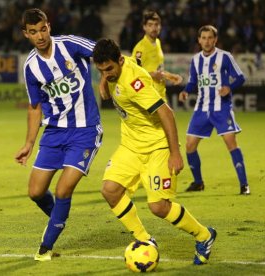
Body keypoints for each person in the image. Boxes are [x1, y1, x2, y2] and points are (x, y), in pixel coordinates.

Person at [92, 38, 216, 265]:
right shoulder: (117, 67)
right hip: (131, 145)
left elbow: (167, 113)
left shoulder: (134, 83)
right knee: (110, 191)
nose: (107, 73)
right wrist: (103, 81)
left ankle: (204, 236)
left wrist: (175, 153)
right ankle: (145, 239)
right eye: (101, 70)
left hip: (157, 146)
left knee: (158, 207)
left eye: (109, 69)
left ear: (120, 61)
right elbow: (111, 79)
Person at [15, 8, 102, 261]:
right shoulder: (31, 66)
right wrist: (29, 143)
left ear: (49, 26)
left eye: (43, 29)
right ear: (26, 34)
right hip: (54, 133)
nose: (40, 36)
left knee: (64, 190)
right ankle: (59, 218)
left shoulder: (70, 45)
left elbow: (105, 52)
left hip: (85, 130)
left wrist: (110, 76)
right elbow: (35, 107)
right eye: (33, 32)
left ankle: (45, 248)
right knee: (35, 192)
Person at [178, 25, 250, 195]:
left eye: (210, 38)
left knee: (231, 144)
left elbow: (241, 77)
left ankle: (244, 184)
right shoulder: (195, 60)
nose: (207, 41)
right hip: (201, 108)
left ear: (215, 40)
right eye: (203, 38)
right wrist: (186, 91)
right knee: (189, 145)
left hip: (222, 108)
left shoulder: (225, 57)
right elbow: (193, 81)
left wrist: (229, 88)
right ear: (199, 40)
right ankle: (198, 182)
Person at [131, 10, 182, 101]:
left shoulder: (158, 42)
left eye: (156, 24)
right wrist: (152, 75)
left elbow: (158, 70)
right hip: (149, 96)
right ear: (144, 27)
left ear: (160, 26)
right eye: (150, 25)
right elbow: (134, 73)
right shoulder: (140, 49)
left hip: (160, 94)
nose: (154, 28)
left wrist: (171, 77)